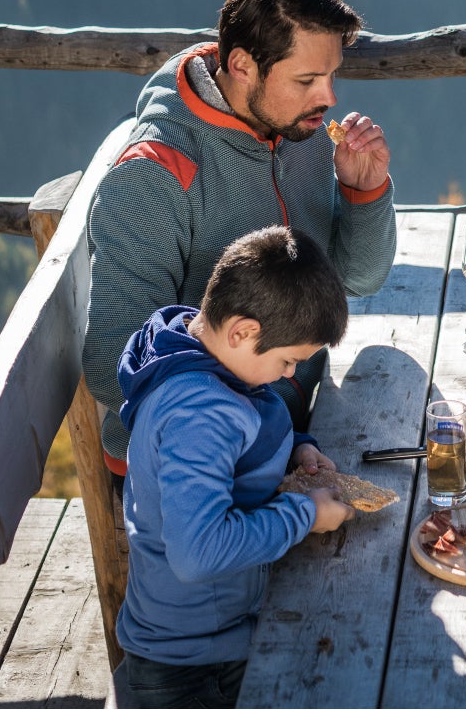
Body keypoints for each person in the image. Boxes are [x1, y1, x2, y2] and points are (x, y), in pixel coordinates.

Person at [85, 0, 397, 473]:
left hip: (297, 416)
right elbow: (110, 364)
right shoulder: (155, 175)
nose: (329, 98)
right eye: (307, 79)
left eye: (331, 75)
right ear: (242, 65)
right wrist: (267, 431)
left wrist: (363, 192)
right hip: (196, 462)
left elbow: (359, 281)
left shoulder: (299, 128)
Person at [111, 225, 354, 709]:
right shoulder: (198, 413)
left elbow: (244, 433)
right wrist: (306, 514)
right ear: (242, 331)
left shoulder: (200, 350)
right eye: (288, 360)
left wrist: (297, 449)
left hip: (218, 632)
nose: (290, 373)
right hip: (192, 668)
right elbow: (198, 554)